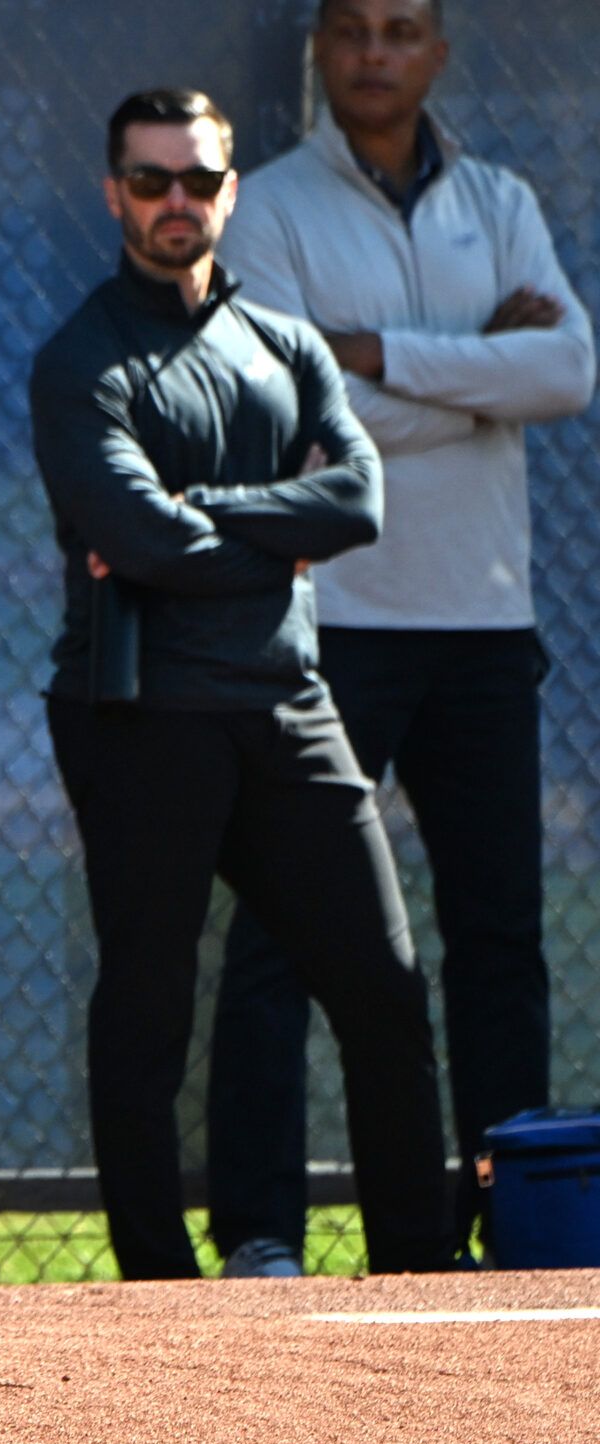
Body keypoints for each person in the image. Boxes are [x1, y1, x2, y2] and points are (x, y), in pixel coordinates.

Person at [28, 87, 449, 1282]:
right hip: (139, 715)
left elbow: (356, 499)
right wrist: (268, 526)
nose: (176, 202)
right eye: (151, 181)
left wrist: (200, 512)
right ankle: (158, 1284)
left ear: (229, 191)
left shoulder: (286, 343)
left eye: (198, 181)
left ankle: (418, 1262)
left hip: (286, 704)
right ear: (114, 193)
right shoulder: (81, 360)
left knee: (382, 987)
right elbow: (134, 542)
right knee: (149, 1002)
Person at [207, 0, 595, 1275]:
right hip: (333, 624)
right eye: (352, 30)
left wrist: (374, 361)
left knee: (498, 942)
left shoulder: (500, 199)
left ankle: (512, 1219)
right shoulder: (265, 205)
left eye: (402, 29)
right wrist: (477, 373)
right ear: (319, 51)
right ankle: (262, 1230)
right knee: (277, 938)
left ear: (438, 52)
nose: (375, 53)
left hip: (486, 624)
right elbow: (286, 411)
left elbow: (566, 375)